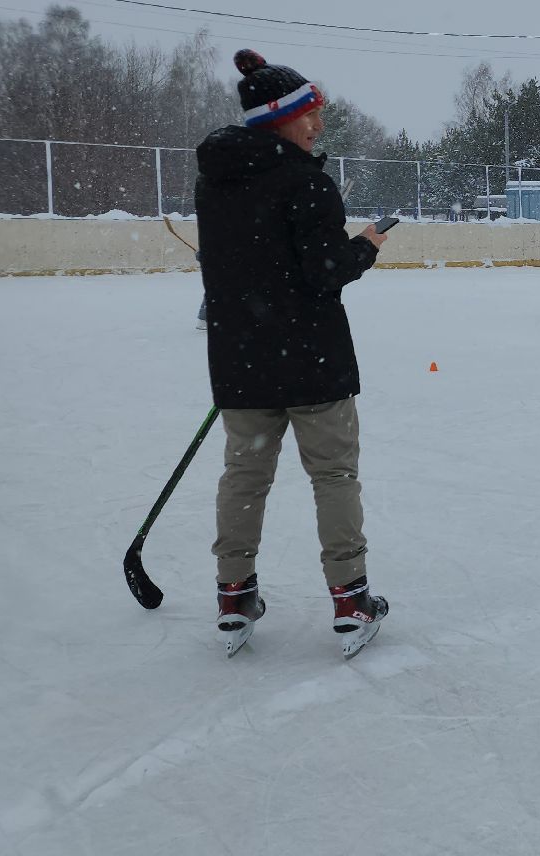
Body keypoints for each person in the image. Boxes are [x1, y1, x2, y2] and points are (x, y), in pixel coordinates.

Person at [195, 49, 388, 659]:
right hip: (312, 362)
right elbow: (323, 271)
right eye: (310, 115)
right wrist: (365, 246)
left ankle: (234, 595)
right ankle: (351, 600)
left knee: (244, 478)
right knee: (333, 476)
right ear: (279, 119)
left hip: (242, 361)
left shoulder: (215, 182)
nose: (319, 126)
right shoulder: (306, 182)